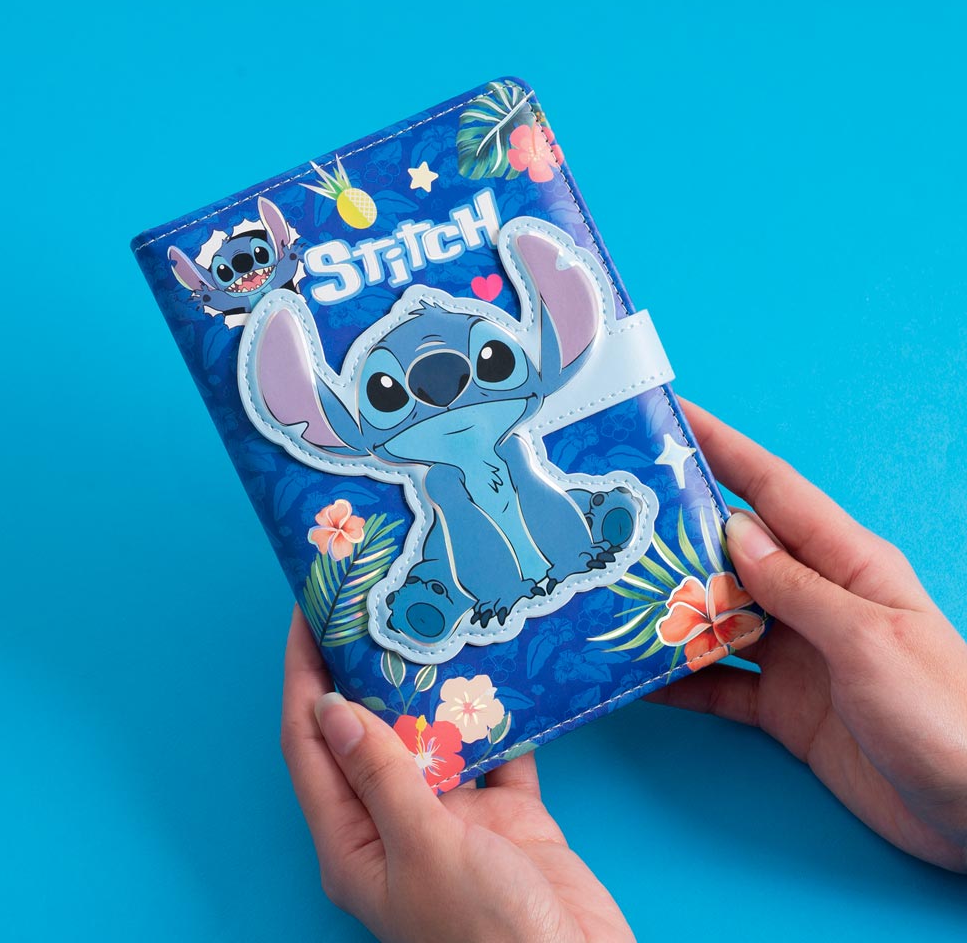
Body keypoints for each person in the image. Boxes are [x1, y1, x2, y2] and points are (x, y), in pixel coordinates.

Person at [280, 401, 967, 943]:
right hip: (487, 604)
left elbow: (537, 487)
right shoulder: (435, 477)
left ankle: (576, 534)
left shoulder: (512, 443)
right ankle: (444, 592)